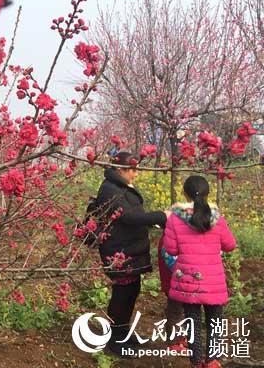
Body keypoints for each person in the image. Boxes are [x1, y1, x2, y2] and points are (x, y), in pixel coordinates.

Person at [95, 151, 168, 356]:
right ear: (121, 169)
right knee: (122, 293)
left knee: (132, 290)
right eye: (133, 170)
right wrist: (161, 216)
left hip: (129, 247)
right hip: (119, 249)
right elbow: (127, 216)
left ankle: (123, 331)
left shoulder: (119, 186)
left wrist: (154, 219)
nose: (135, 174)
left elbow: (134, 215)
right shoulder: (110, 189)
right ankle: (115, 339)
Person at [162, 175, 236, 368]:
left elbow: (170, 249)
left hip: (188, 280)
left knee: (192, 322)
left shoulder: (174, 218)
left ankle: (195, 362)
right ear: (207, 193)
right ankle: (212, 361)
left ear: (185, 193)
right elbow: (230, 245)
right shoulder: (217, 218)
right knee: (215, 322)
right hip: (213, 281)